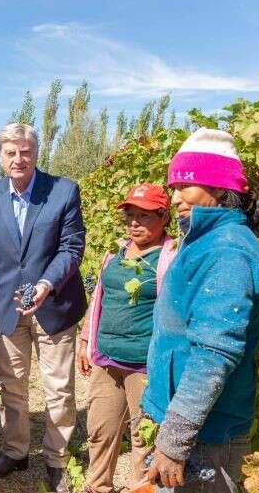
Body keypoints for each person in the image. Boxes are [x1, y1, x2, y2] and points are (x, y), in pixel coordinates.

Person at [0, 123, 87, 493]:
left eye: (25, 151)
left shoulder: (63, 191)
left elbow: (71, 248)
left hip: (54, 303)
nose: (18, 159)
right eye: (10, 152)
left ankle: (56, 459)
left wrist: (45, 283)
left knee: (57, 388)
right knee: (12, 386)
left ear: (36, 153)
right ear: (0, 156)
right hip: (7, 306)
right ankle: (16, 451)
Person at [141, 128, 259, 493]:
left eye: (185, 186)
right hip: (195, 425)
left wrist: (175, 440)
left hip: (208, 435)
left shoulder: (227, 252)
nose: (176, 197)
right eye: (174, 187)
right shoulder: (205, 241)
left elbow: (214, 354)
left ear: (217, 187)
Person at [77, 183, 176, 493]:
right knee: (100, 429)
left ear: (164, 217)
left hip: (144, 366)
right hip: (107, 359)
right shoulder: (115, 253)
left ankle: (140, 489)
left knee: (143, 438)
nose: (134, 222)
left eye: (144, 216)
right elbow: (100, 298)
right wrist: (85, 341)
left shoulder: (170, 257)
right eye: (130, 215)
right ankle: (97, 487)